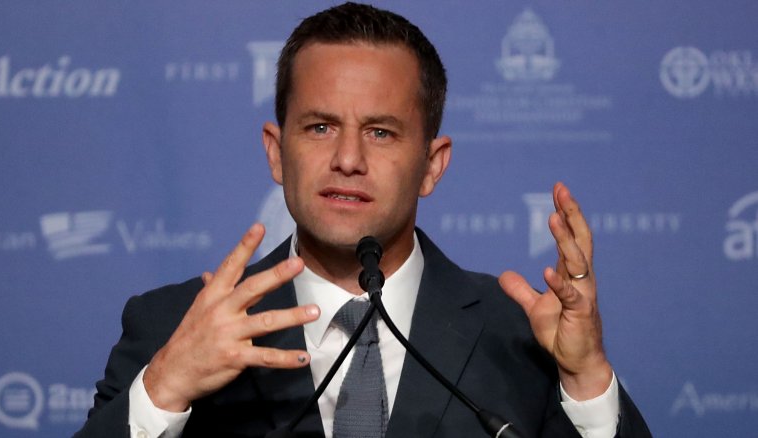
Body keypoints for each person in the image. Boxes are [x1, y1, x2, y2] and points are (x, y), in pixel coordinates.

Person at [76, 3, 650, 437]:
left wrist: (588, 381)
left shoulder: (521, 337)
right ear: (276, 152)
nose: (348, 159)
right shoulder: (173, 325)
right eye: (320, 127)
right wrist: (164, 388)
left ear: (432, 165)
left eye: (381, 132)